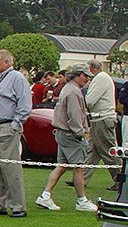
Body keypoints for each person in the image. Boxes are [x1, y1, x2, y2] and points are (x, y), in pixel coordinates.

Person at [35, 64, 97, 212]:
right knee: (79, 167)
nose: (87, 79)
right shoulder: (74, 92)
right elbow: (74, 117)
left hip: (63, 133)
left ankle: (45, 195)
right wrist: (82, 134)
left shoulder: (68, 89)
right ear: (77, 75)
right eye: (84, 75)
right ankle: (81, 200)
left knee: (62, 166)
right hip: (71, 134)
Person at [0, 49, 32, 217]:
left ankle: (18, 206)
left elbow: (24, 105)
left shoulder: (16, 78)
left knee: (10, 169)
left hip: (5, 128)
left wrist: (15, 125)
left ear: (6, 63)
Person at [82, 59, 118, 191]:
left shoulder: (100, 79)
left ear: (92, 68)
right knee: (92, 152)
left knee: (108, 151)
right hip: (99, 119)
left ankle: (120, 179)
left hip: (102, 119)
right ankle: (82, 179)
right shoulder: (102, 78)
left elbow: (90, 100)